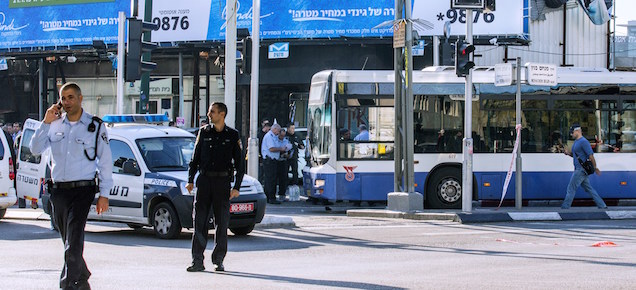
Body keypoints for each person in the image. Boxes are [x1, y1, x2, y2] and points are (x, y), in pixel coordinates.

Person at [30, 82, 113, 290]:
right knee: (69, 240)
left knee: (74, 238)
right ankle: (83, 277)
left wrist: (104, 194)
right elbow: (35, 149)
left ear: (80, 98)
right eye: (63, 98)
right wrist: (46, 122)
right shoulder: (55, 125)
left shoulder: (95, 126)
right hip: (58, 191)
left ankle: (68, 284)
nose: (66, 102)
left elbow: (105, 162)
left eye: (70, 97)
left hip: (82, 190)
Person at [186, 102, 245, 272]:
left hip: (222, 183)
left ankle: (218, 260)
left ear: (222, 114)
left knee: (222, 223)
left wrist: (237, 187)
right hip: (204, 181)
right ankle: (197, 261)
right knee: (200, 222)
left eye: (212, 111)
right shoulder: (203, 133)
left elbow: (240, 165)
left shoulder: (232, 135)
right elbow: (194, 159)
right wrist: (190, 179)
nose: (209, 114)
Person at [562, 124, 607, 209]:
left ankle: (565, 207)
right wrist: (568, 153)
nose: (571, 134)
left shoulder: (584, 142)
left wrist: (595, 167)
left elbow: (591, 156)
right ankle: (602, 205)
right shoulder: (576, 142)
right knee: (589, 189)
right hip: (579, 168)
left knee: (571, 188)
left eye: (572, 132)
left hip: (581, 170)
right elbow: (576, 156)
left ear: (577, 131)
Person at [261, 123, 288, 204]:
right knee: (271, 180)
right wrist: (281, 149)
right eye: (278, 131)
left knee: (270, 179)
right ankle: (271, 197)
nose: (278, 133)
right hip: (269, 160)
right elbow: (272, 148)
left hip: (273, 160)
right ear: (275, 129)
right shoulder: (269, 136)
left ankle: (268, 196)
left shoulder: (273, 136)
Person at [276, 129, 292, 201]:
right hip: (276, 160)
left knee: (284, 178)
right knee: (275, 178)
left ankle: (282, 194)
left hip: (284, 160)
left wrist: (287, 154)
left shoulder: (286, 141)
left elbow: (289, 149)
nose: (282, 137)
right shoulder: (275, 140)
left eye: (283, 136)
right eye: (281, 136)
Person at [257, 119, 271, 184]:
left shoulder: (267, 135)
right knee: (261, 172)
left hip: (266, 156)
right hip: (261, 156)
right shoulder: (259, 135)